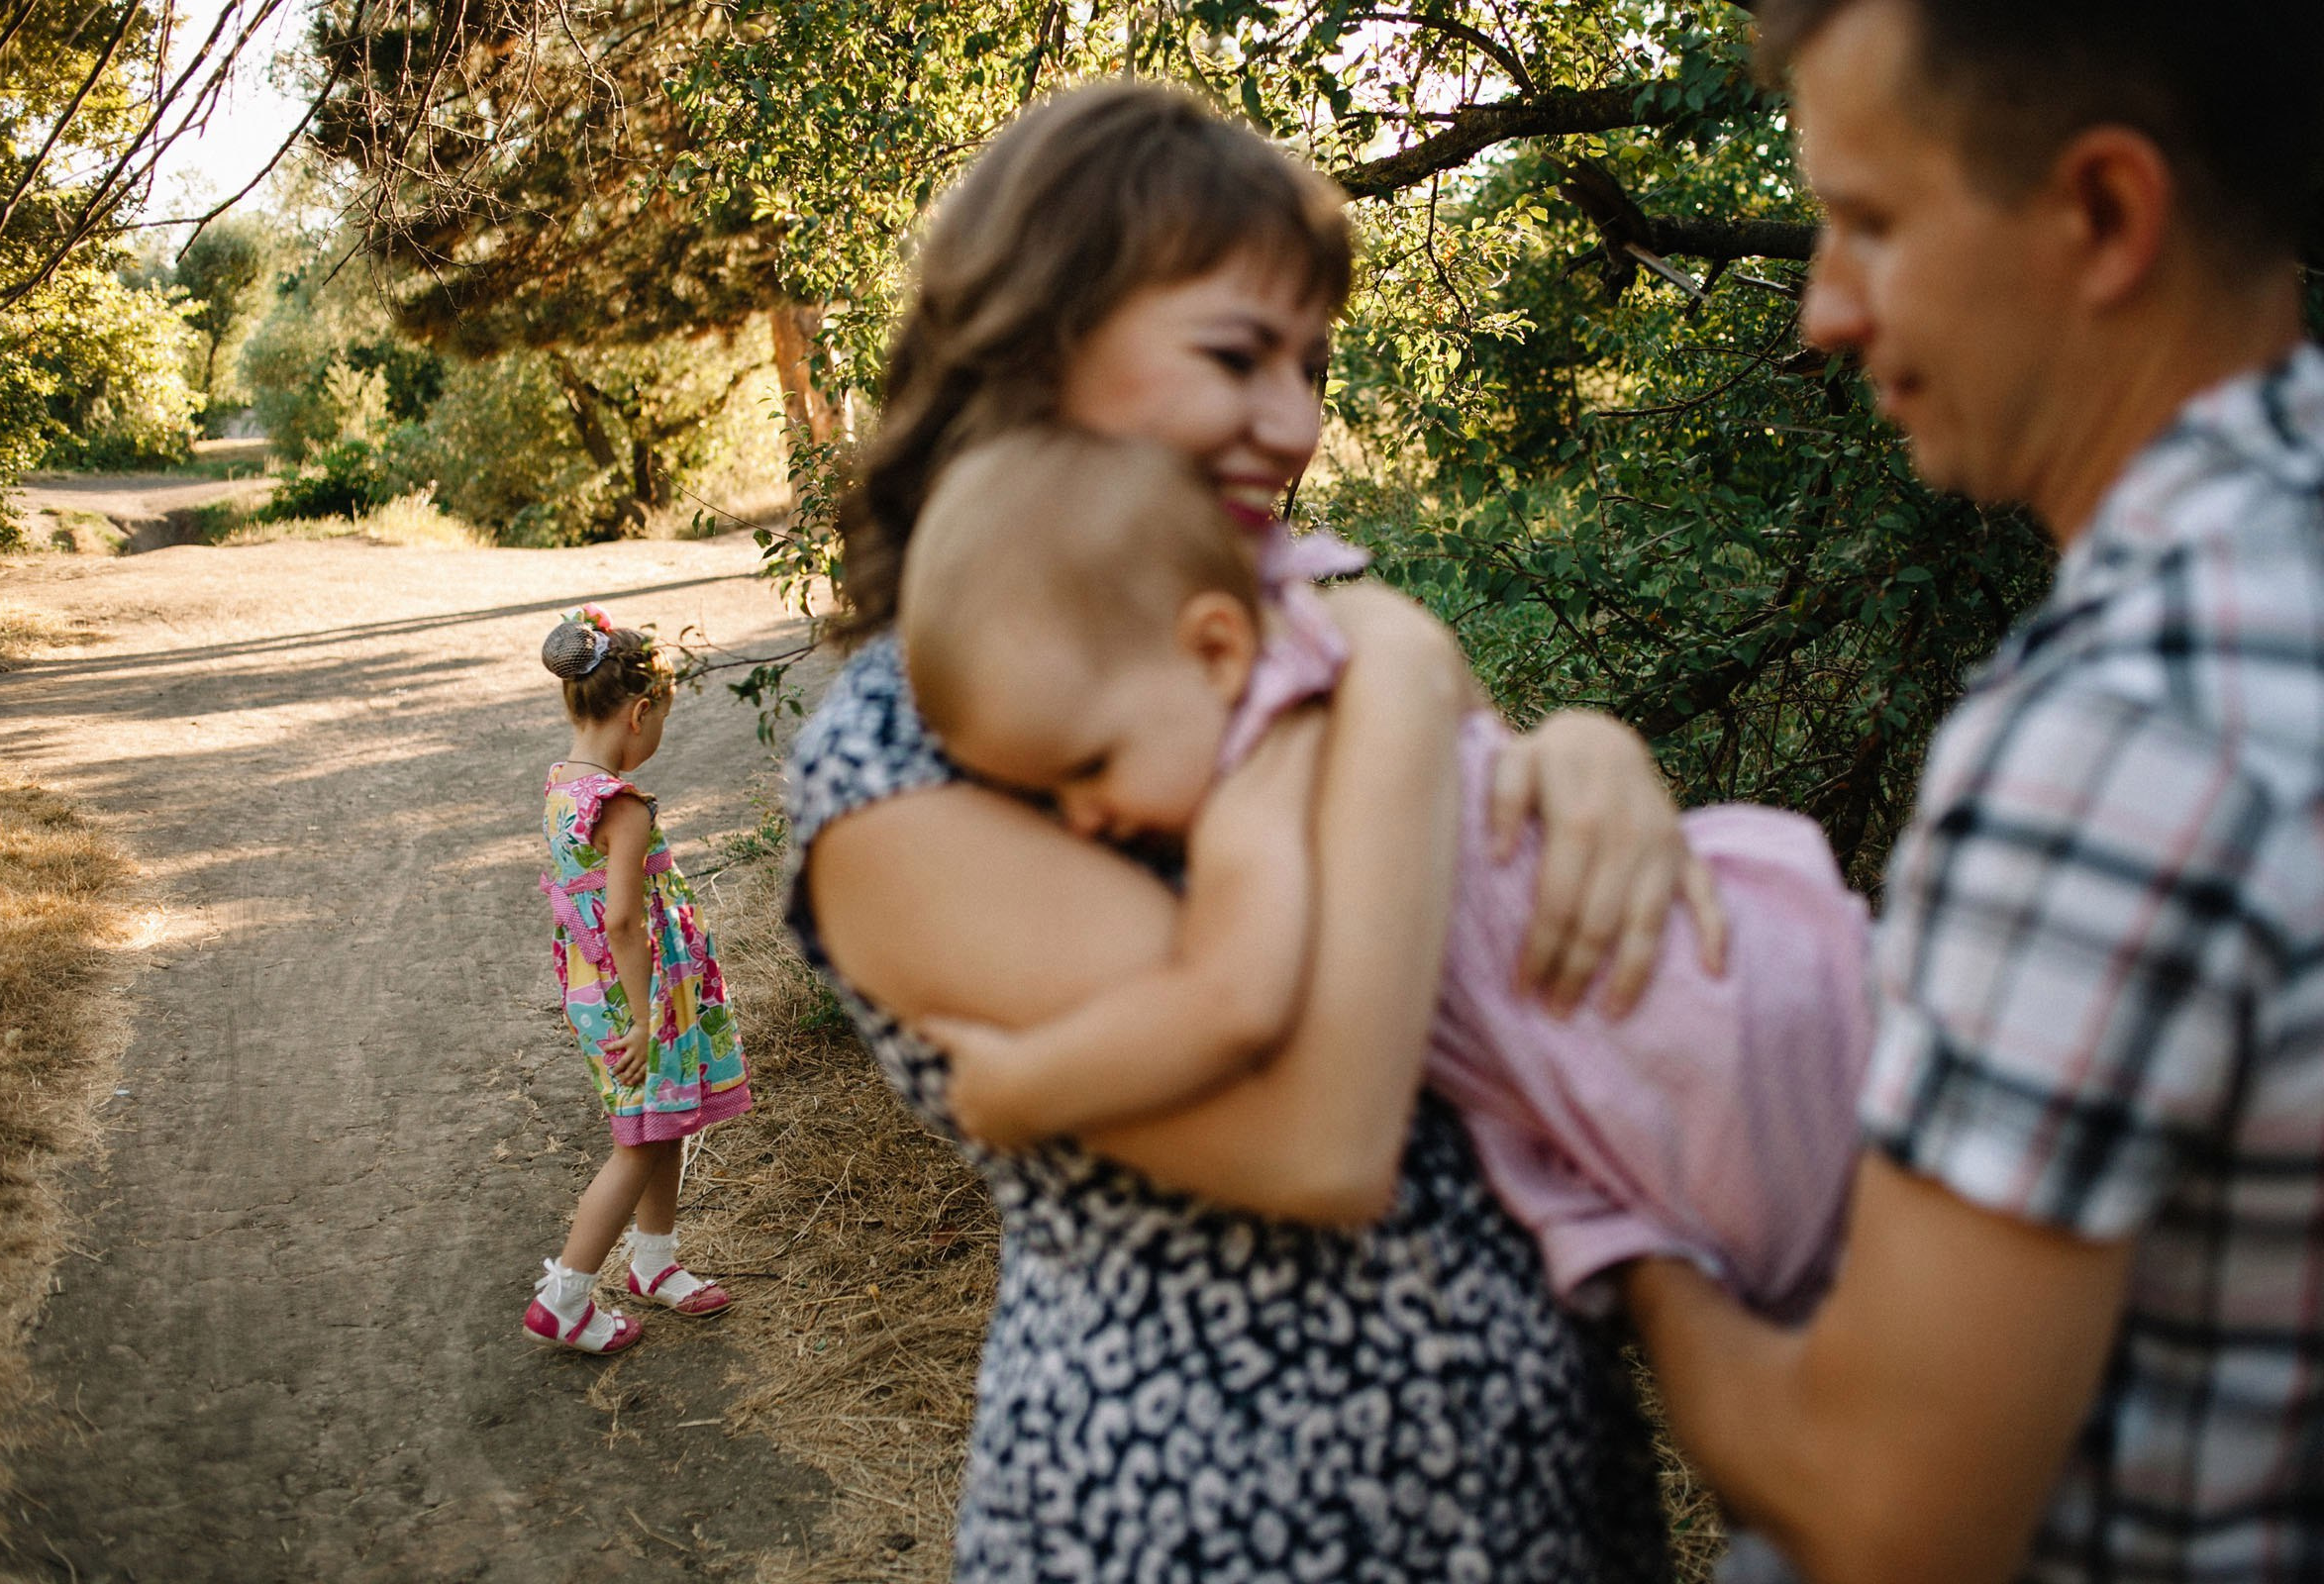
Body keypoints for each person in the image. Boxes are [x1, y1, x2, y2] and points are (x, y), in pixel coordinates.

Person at [784, 80, 1723, 1582]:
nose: (1294, 422)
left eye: (1313, 363)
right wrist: (1411, 666)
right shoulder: (901, 766)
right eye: (1236, 356)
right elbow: (1326, 1137)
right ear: (1035, 344)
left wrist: (1585, 755)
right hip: (1213, 1521)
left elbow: (1481, 889)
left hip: (1537, 1501)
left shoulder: (1270, 638)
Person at [1616, 2, 2324, 1581]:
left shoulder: (2119, 740)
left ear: (2105, 215)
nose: (1823, 312)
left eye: (1869, 224)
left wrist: (1637, 1241)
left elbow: (1886, 1515)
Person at [900, 427, 1874, 1322]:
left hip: (1693, 1043)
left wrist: (1025, 1091)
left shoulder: (1263, 781)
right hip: (1738, 971)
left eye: (1088, 767)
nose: (1081, 819)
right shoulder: (1332, 646)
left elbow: (1230, 999)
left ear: (1215, 650)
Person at [527, 604, 752, 1354]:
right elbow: (622, 918)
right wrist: (647, 1014)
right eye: (659, 728)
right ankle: (565, 1295)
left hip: (600, 985)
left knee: (663, 1123)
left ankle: (653, 1261)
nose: (656, 742)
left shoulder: (564, 782)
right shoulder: (621, 806)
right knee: (636, 1143)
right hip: (634, 990)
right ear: (640, 712)